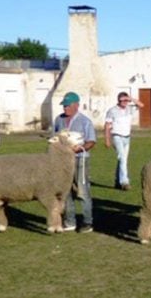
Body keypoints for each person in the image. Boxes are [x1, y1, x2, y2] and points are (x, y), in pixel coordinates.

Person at [54, 91, 97, 233]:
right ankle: (69, 221)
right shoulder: (58, 120)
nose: (65, 108)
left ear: (76, 105)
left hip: (80, 160)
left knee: (83, 191)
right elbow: (55, 138)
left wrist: (79, 149)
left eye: (68, 105)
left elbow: (91, 141)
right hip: (62, 162)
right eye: (64, 106)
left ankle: (87, 222)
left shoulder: (85, 121)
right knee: (66, 191)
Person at [104, 92, 144, 191]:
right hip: (117, 136)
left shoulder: (130, 109)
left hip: (127, 137)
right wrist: (107, 139)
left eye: (126, 100)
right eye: (122, 100)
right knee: (122, 158)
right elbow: (107, 125)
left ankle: (118, 180)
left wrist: (131, 98)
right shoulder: (112, 111)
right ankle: (124, 182)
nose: (124, 102)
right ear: (118, 100)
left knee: (122, 159)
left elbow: (141, 105)